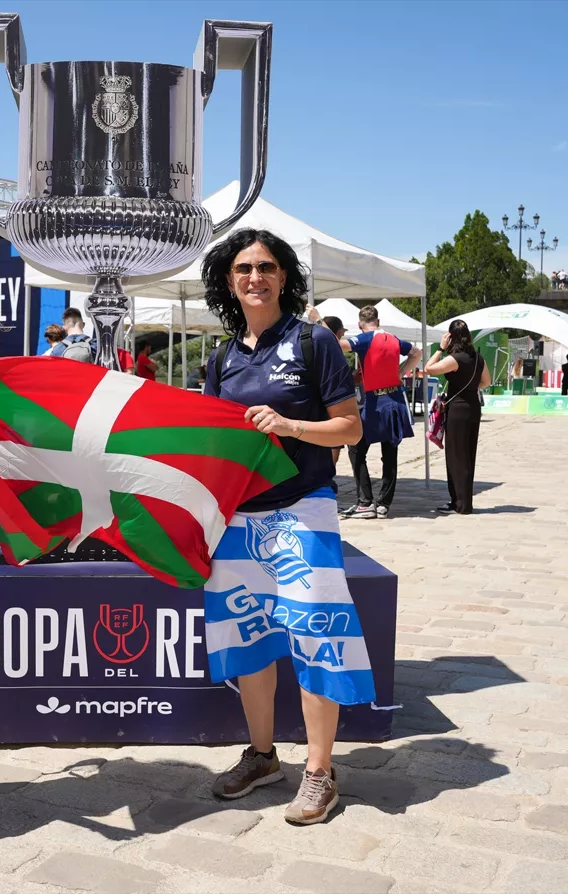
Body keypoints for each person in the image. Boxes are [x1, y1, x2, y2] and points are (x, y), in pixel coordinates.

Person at [201, 227, 369, 826]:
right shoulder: (221, 357)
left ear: (284, 276)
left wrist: (292, 427)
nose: (256, 277)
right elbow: (211, 441)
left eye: (267, 267)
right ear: (229, 281)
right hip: (239, 517)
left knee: (314, 635)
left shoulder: (313, 340)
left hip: (303, 509)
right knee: (250, 639)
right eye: (244, 268)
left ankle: (320, 771)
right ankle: (263, 755)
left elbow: (350, 428)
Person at [338, 307, 421, 520]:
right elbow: (416, 353)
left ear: (360, 324)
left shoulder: (364, 339)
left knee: (356, 449)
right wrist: (401, 372)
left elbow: (339, 345)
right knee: (390, 454)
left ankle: (365, 503)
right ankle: (384, 504)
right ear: (379, 321)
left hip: (375, 402)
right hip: (395, 400)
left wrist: (318, 321)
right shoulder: (393, 339)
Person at [424, 321, 491, 515]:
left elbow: (429, 368)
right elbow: (486, 381)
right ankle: (463, 501)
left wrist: (440, 348)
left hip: (458, 410)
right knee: (468, 454)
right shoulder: (478, 358)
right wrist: (470, 389)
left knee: (456, 456)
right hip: (473, 407)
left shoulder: (455, 359)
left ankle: (460, 503)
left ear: (451, 337)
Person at [319, 316, 347, 465]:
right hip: (329, 405)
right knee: (334, 444)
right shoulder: (331, 349)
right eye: (342, 333)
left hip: (324, 405)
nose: (343, 335)